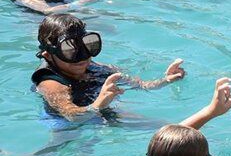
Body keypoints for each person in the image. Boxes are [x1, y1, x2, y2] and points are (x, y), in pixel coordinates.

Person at [32, 13, 185, 122]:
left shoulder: (90, 65)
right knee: (161, 128)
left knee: (161, 125)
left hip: (96, 110)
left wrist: (166, 80)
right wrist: (98, 105)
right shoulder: (50, 82)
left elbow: (141, 85)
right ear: (47, 54)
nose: (81, 57)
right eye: (69, 51)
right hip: (66, 124)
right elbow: (72, 116)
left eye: (86, 47)